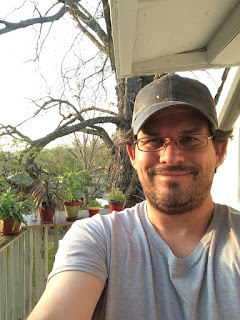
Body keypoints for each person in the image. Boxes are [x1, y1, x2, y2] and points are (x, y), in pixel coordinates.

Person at [28, 74, 239, 320]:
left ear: (219, 150)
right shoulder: (98, 240)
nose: (170, 157)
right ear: (132, 154)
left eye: (190, 140)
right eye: (153, 141)